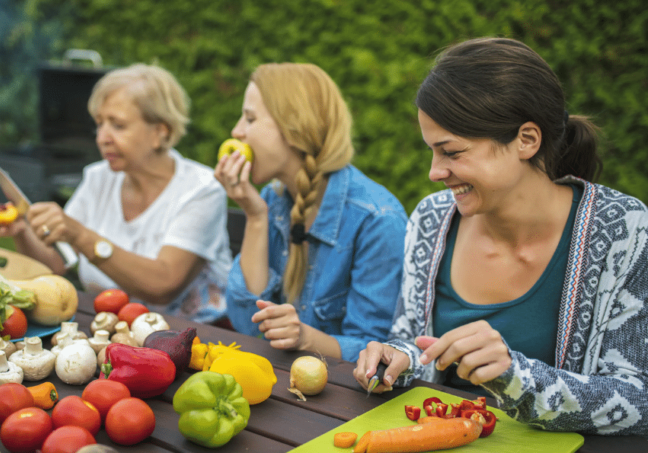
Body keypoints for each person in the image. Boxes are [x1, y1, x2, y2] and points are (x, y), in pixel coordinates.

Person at [353, 37, 648, 436]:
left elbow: (638, 397)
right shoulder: (432, 219)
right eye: (432, 152)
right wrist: (398, 357)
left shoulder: (623, 231)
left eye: (452, 152)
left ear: (526, 139)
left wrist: (517, 377)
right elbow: (415, 341)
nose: (434, 172)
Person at [0, 63, 233, 324]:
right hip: (106, 327)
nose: (102, 137)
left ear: (160, 132)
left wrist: (80, 235)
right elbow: (56, 263)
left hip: (192, 339)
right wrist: (23, 231)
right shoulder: (98, 178)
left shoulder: (202, 190)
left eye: (118, 125)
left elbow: (163, 285)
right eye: (99, 124)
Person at [215, 62, 407, 363]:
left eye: (250, 118)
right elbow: (245, 323)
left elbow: (377, 350)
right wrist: (255, 216)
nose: (236, 131)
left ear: (294, 128)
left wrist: (306, 338)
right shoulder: (273, 199)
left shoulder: (377, 220)